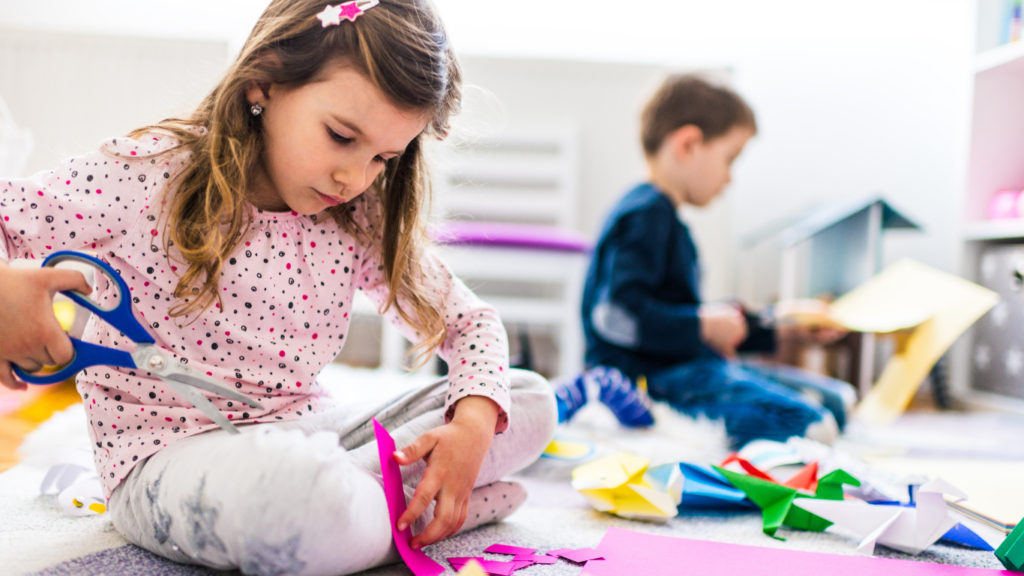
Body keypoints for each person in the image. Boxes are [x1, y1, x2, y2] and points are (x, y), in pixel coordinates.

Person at [0, 1, 557, 573]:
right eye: (342, 136)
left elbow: (469, 323)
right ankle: (402, 517)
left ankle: (366, 507)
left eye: (383, 159)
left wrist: (469, 426)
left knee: (528, 399)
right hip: (166, 461)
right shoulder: (147, 176)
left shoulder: (357, 215)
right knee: (299, 498)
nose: (356, 177)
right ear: (263, 84)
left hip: (309, 437)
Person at [564, 74, 853, 448]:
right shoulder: (645, 214)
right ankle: (654, 418)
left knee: (836, 403)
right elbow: (617, 315)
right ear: (689, 144)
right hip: (647, 379)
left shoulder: (664, 218)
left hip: (684, 365)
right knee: (811, 424)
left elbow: (681, 319)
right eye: (729, 158)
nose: (730, 178)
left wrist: (786, 326)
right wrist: (702, 325)